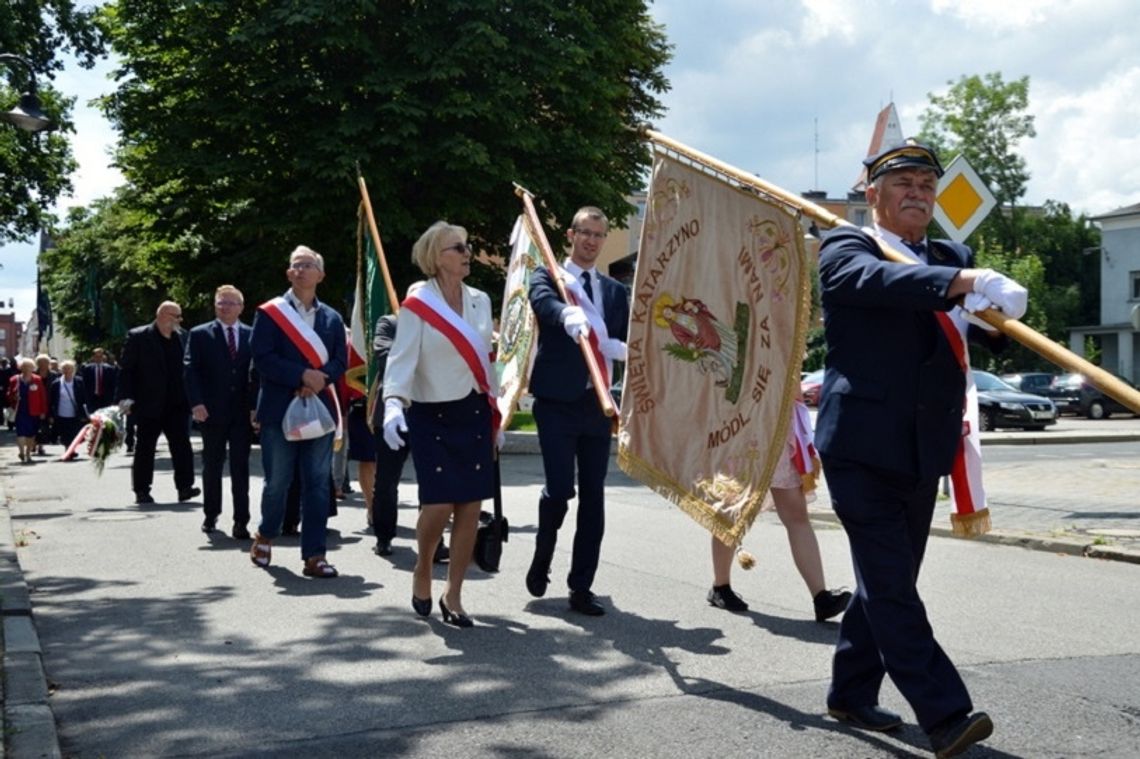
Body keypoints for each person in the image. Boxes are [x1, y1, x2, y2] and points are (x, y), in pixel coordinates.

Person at [816, 139, 1027, 757]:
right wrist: (967, 281)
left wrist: (995, 310)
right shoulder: (845, 246)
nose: (917, 193)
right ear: (874, 195)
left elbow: (984, 339)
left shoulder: (949, 253)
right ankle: (946, 715)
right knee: (890, 585)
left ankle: (851, 693)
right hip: (858, 445)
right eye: (903, 183)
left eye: (926, 186)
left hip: (922, 447)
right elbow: (877, 281)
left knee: (888, 579)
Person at [381, 221, 497, 627]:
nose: (467, 253)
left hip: (474, 410)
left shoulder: (481, 300)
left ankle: (456, 593)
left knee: (469, 507)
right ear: (436, 256)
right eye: (458, 247)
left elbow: (486, 354)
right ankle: (423, 566)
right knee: (439, 504)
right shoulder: (419, 303)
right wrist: (393, 403)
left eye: (467, 246)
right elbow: (401, 358)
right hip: (432, 412)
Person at [526, 206, 629, 616]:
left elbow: (621, 337)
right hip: (556, 401)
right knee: (559, 489)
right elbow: (541, 302)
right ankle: (542, 555)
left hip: (596, 403)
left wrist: (621, 349)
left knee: (593, 495)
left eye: (598, 235)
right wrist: (564, 312)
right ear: (571, 234)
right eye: (584, 233)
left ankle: (581, 586)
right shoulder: (550, 275)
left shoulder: (614, 291)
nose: (591, 241)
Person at [249, 245, 347, 579]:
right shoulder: (270, 313)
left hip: (319, 410)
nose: (302, 270)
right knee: (278, 481)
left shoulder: (333, 317)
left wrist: (319, 380)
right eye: (296, 266)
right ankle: (265, 534)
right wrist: (301, 375)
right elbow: (262, 357)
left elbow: (339, 361)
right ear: (289, 274)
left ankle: (315, 555)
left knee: (318, 483)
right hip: (279, 410)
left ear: (320, 274)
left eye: (309, 265)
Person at [707, 398, 851, 621]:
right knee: (730, 513)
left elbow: (795, 390)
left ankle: (821, 597)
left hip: (779, 431)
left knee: (796, 515)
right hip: (742, 428)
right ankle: (721, 586)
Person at [368, 311, 448, 563]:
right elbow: (385, 358)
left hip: (429, 411)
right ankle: (384, 535)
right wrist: (418, 354)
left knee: (432, 482)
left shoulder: (437, 324)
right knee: (386, 481)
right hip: (394, 413)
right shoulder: (389, 323)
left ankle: (434, 541)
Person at [184, 285, 256, 539]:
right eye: (221, 303)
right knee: (212, 466)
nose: (225, 307)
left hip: (241, 414)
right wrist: (197, 403)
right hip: (211, 412)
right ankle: (211, 514)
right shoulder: (200, 334)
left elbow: (256, 374)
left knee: (240, 468)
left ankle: (241, 521)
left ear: (241, 307)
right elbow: (190, 370)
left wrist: (255, 408)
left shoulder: (251, 334)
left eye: (231, 303)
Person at [117, 302, 200, 505]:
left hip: (178, 403)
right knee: (145, 448)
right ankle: (142, 490)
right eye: (177, 316)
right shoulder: (138, 336)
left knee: (182, 446)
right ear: (163, 315)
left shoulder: (183, 336)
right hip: (148, 403)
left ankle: (185, 487)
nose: (180, 320)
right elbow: (126, 370)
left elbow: (192, 368)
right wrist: (125, 399)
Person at [8, 358, 47, 464]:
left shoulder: (37, 380)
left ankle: (28, 453)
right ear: (21, 368)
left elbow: (42, 397)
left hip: (34, 411)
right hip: (20, 410)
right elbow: (8, 395)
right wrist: (13, 397)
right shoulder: (14, 379)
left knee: (31, 433)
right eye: (24, 367)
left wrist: (43, 411)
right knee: (20, 432)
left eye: (29, 367)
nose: (26, 369)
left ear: (33, 368)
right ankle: (21, 452)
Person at [49, 360, 89, 454]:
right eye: (65, 369)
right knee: (65, 433)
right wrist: (51, 414)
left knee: (76, 433)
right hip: (61, 412)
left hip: (76, 412)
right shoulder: (56, 383)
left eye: (69, 369)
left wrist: (87, 412)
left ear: (73, 370)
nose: (67, 371)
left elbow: (85, 397)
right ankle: (69, 450)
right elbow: (51, 400)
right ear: (61, 370)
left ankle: (71, 449)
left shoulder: (79, 381)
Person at [33, 354, 59, 453]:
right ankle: (34, 443)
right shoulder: (33, 374)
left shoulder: (54, 375)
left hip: (49, 403)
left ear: (49, 364)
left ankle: (40, 445)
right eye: (40, 362)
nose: (43, 364)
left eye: (45, 362)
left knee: (45, 426)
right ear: (37, 364)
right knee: (35, 424)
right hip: (36, 403)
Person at [81, 347, 118, 414]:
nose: (98, 358)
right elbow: (85, 385)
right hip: (92, 398)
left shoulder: (110, 369)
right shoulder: (87, 369)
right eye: (96, 356)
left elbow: (113, 385)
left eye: (100, 356)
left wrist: (113, 400)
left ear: (103, 357)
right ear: (93, 357)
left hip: (106, 399)